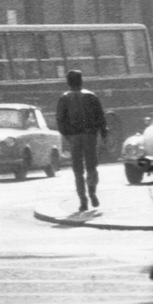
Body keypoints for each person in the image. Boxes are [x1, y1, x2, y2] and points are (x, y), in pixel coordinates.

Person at [55, 69, 109, 211]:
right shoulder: (92, 96)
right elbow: (101, 118)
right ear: (81, 81)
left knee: (77, 170)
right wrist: (103, 134)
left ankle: (83, 200)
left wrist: (68, 136)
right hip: (90, 136)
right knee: (92, 166)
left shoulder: (64, 98)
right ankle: (92, 192)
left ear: (68, 82)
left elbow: (60, 120)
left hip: (74, 137)